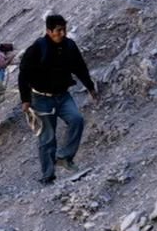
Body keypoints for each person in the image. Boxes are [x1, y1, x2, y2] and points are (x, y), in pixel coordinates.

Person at [17, 14, 99, 184]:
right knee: (47, 137)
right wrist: (25, 99)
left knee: (77, 119)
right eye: (58, 30)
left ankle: (64, 156)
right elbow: (23, 74)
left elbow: (80, 67)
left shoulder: (69, 46)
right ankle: (48, 176)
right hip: (41, 98)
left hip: (63, 96)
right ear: (48, 31)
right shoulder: (37, 49)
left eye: (64, 29)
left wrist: (90, 87)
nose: (62, 33)